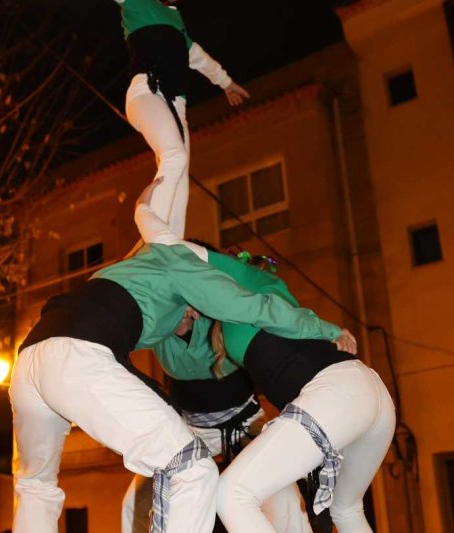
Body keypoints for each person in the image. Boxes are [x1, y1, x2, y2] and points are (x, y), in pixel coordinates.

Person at [10, 185, 342, 532]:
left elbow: (255, 306)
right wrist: (155, 191)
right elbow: (162, 236)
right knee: (164, 484)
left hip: (241, 419)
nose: (191, 315)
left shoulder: (182, 301)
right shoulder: (167, 291)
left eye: (196, 306)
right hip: (174, 412)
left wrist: (321, 330)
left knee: (35, 486)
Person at [133, 179, 396, 533]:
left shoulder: (246, 286)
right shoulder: (231, 320)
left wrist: (142, 209)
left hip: (338, 393)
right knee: (346, 509)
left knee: (232, 495)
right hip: (370, 394)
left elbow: (168, 246)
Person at [120, 307, 312, 533]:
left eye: (180, 313)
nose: (176, 322)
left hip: (246, 422)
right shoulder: (157, 331)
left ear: (192, 310)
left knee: (285, 498)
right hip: (191, 431)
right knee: (134, 503)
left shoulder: (217, 317)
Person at [114, 0, 249, 240]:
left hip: (177, 106)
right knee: (175, 156)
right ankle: (155, 237)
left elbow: (197, 55)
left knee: (180, 173)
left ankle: (173, 243)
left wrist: (226, 83)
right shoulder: (137, 2)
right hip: (147, 94)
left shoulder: (175, 19)